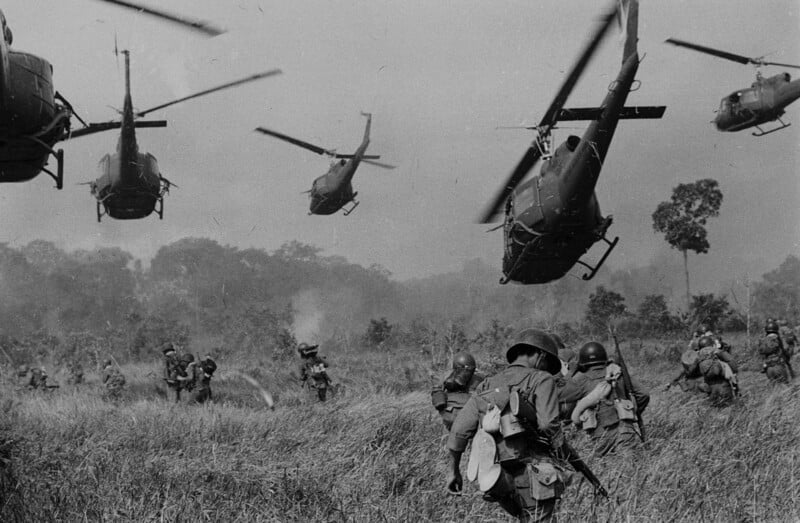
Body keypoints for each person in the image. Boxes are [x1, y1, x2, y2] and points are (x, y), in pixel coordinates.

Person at [445, 328, 573, 522]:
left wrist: (452, 471)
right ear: (540, 355)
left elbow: (459, 431)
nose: (546, 368)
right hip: (535, 472)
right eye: (547, 363)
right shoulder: (541, 379)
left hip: (499, 478)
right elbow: (548, 425)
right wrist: (563, 454)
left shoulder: (486, 384)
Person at [560, 342, 649, 457]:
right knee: (631, 466)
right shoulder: (617, 373)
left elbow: (559, 396)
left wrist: (570, 372)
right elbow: (644, 394)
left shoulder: (580, 379)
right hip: (625, 429)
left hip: (599, 434)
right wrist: (632, 413)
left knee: (603, 469)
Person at [431, 352, 485, 430]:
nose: (466, 373)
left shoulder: (478, 379)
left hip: (459, 413)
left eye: (469, 370)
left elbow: (437, 394)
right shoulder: (447, 377)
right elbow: (438, 398)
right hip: (461, 413)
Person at [695, 336, 739, 406]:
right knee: (729, 405)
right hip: (723, 384)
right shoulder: (716, 351)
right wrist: (733, 373)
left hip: (710, 386)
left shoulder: (698, 356)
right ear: (711, 344)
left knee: (715, 407)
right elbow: (731, 362)